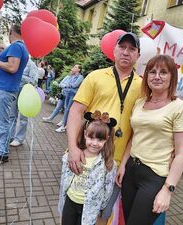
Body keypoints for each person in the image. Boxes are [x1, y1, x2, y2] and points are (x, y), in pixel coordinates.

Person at [67, 32, 141, 225]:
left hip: (114, 163)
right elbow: (76, 111)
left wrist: (124, 163)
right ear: (114, 50)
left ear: (138, 55)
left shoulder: (143, 86)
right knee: (74, 207)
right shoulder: (96, 76)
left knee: (102, 213)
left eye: (132, 49)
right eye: (122, 47)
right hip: (87, 156)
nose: (126, 52)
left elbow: (138, 129)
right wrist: (74, 149)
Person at [116, 55, 183, 225]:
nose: (157, 76)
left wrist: (168, 189)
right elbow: (134, 136)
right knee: (128, 220)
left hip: (154, 177)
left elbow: (181, 153)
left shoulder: (180, 107)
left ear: (172, 77)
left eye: (163, 72)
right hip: (131, 171)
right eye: (152, 72)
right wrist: (123, 165)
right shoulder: (140, 103)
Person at [0, 24, 29, 164]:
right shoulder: (22, 47)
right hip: (5, 89)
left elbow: (12, 67)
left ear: (10, 32)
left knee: (2, 123)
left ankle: (2, 153)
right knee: (2, 121)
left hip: (4, 89)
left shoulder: (16, 46)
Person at [59, 110, 117, 225]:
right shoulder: (73, 156)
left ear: (107, 138)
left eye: (100, 139)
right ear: (85, 134)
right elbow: (65, 174)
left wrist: (101, 206)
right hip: (70, 201)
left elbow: (108, 188)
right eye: (91, 138)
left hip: (90, 207)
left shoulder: (109, 164)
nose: (95, 143)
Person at [9, 58, 38, 147]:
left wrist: (19, 75)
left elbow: (34, 80)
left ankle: (19, 139)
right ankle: (10, 136)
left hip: (25, 91)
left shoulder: (31, 64)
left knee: (23, 117)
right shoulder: (13, 60)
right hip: (13, 89)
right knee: (11, 115)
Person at [55, 64, 84, 133]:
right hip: (68, 93)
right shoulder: (73, 76)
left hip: (73, 94)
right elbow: (69, 84)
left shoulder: (80, 77)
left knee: (68, 109)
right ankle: (64, 124)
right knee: (66, 109)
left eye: (75, 67)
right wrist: (67, 85)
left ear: (79, 70)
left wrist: (66, 85)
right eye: (74, 66)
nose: (73, 68)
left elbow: (74, 85)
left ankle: (63, 127)